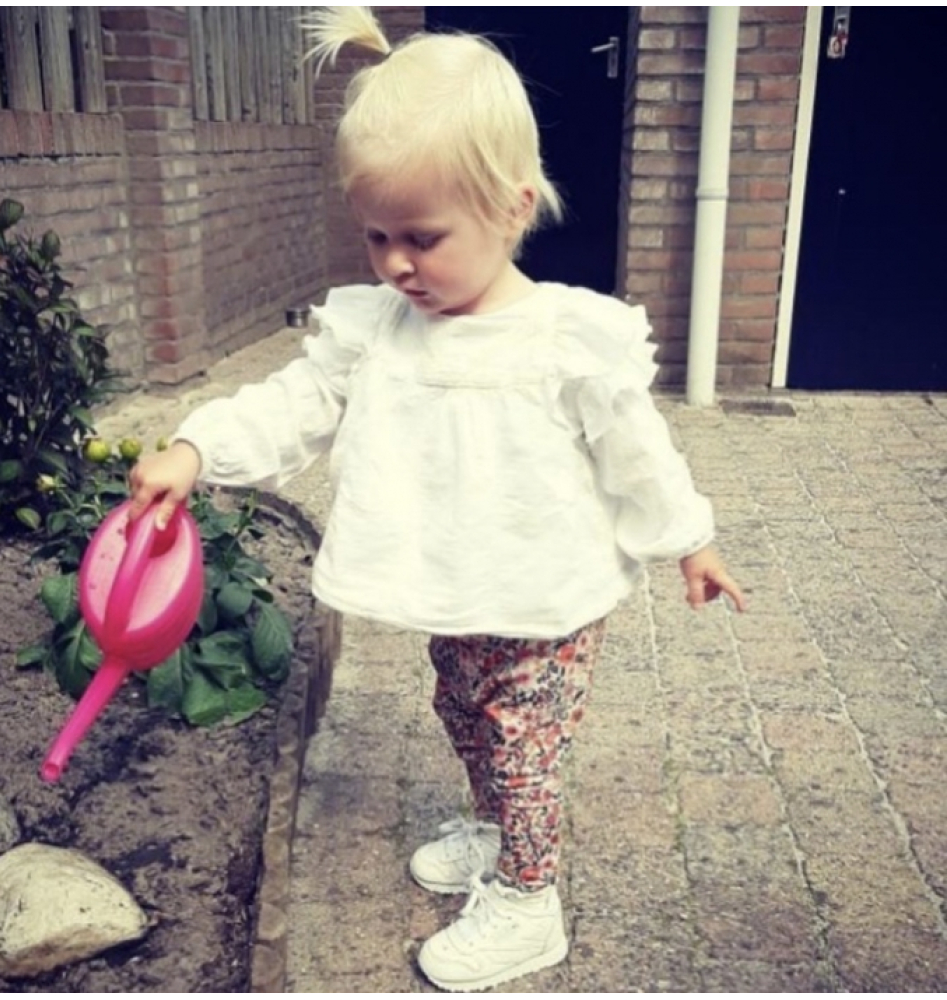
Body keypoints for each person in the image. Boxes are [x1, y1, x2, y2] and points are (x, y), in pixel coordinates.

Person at [128, 6, 747, 992]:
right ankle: (497, 830)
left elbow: (638, 452)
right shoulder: (377, 328)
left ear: (511, 207)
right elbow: (297, 401)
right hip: (458, 589)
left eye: (422, 237)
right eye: (375, 235)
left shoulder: (563, 339)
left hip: (544, 597)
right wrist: (200, 447)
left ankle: (530, 901)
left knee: (519, 741)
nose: (394, 264)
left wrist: (691, 540)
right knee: (460, 710)